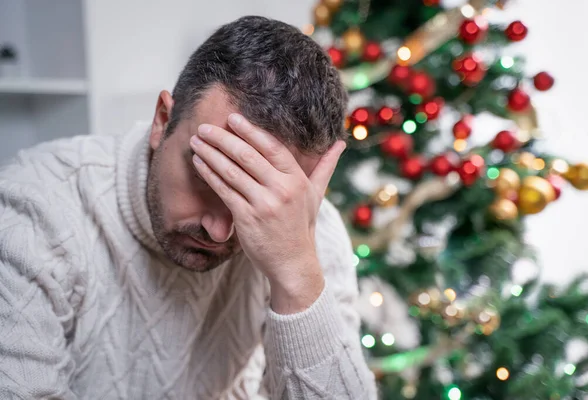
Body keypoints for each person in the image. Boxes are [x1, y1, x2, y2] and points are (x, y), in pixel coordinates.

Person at [0, 15, 377, 399]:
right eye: (207, 176)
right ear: (163, 121)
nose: (219, 230)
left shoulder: (304, 232)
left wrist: (297, 275)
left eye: (254, 200)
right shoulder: (32, 210)